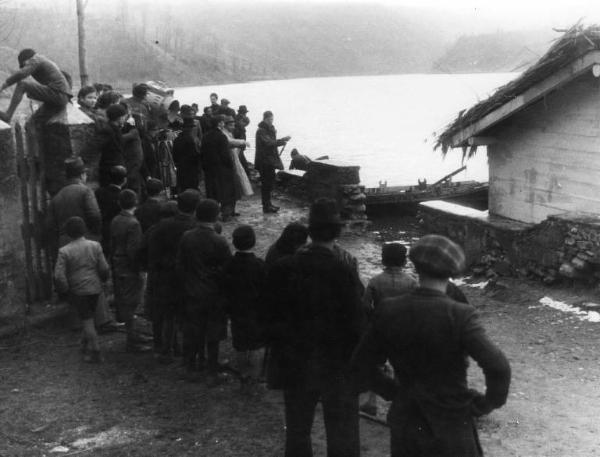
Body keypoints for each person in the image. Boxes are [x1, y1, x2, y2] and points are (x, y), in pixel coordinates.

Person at [352, 234, 511, 457]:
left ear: (416, 266)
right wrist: (483, 405)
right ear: (451, 272)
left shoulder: (389, 310)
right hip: (452, 421)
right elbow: (499, 367)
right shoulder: (460, 314)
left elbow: (361, 364)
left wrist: (394, 392)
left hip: (407, 420)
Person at [264, 198, 365, 457]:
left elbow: (269, 317)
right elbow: (358, 321)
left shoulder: (282, 268)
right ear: (338, 231)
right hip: (336, 364)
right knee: (342, 433)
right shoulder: (344, 270)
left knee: (297, 431)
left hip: (295, 361)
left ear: (310, 230)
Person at [176, 199, 232, 386]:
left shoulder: (186, 237)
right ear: (215, 217)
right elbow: (226, 270)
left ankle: (191, 366)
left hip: (191, 291)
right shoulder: (219, 240)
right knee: (213, 334)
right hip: (213, 294)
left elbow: (180, 265)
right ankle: (211, 371)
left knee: (193, 331)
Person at [359, 242, 418, 416]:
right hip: (402, 330)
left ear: (383, 260)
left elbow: (364, 305)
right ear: (404, 261)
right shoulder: (411, 282)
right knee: (402, 367)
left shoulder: (375, 281)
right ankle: (400, 403)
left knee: (374, 365)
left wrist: (373, 318)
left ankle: (371, 402)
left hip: (380, 329)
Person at [144, 190, 200, 360]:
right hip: (186, 277)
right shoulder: (195, 227)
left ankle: (163, 347)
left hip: (162, 276)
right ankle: (182, 349)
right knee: (184, 314)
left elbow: (147, 251)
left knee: (165, 313)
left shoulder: (160, 227)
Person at [54, 217, 109, 363]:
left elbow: (59, 276)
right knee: (88, 317)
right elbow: (104, 267)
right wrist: (103, 280)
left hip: (78, 290)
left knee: (87, 319)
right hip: (95, 288)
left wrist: (65, 290)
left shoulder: (64, 251)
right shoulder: (95, 245)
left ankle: (95, 350)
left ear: (68, 233)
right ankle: (84, 344)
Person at [223, 225, 267, 394]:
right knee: (257, 345)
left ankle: (243, 377)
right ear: (254, 242)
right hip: (256, 311)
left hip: (236, 310)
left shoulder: (229, 264)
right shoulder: (259, 265)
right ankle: (253, 381)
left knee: (240, 343)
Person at [110, 189, 148, 352]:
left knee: (126, 301)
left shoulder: (116, 220)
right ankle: (132, 340)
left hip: (118, 263)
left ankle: (133, 335)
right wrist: (140, 268)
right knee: (132, 303)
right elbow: (134, 250)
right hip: (129, 267)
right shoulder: (133, 223)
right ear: (136, 203)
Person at [45, 157, 101, 258]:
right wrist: (96, 235)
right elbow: (95, 216)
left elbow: (50, 226)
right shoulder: (86, 191)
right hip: (85, 242)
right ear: (82, 175)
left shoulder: (57, 197)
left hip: (64, 246)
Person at [0, 49, 72, 124]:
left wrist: (3, 86)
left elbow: (22, 74)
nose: (26, 67)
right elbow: (66, 76)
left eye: (24, 65)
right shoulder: (45, 61)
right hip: (60, 95)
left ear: (27, 60)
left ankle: (8, 115)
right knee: (34, 122)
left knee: (23, 84)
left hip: (58, 94)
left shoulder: (35, 59)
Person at [201, 115, 237, 220]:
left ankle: (212, 213)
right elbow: (225, 154)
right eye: (222, 122)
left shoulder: (205, 136)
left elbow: (202, 152)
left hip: (209, 168)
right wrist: (231, 165)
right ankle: (226, 214)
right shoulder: (221, 136)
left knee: (212, 192)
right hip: (221, 168)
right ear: (219, 124)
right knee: (226, 191)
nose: (223, 124)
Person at [255, 110, 290, 213]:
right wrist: (281, 141)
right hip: (264, 161)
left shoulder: (269, 129)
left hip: (270, 160)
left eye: (272, 119)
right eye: (270, 119)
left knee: (269, 183)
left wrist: (282, 140)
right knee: (266, 184)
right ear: (265, 119)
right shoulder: (261, 130)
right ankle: (266, 206)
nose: (271, 121)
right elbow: (268, 143)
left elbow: (271, 142)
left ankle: (268, 204)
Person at [95, 165, 127, 256]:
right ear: (124, 180)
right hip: (118, 230)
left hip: (104, 228)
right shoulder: (123, 195)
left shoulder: (99, 192)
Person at [223, 116, 252, 213]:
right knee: (230, 186)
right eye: (231, 125)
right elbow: (230, 142)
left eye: (233, 125)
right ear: (225, 125)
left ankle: (232, 209)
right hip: (228, 161)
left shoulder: (229, 133)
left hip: (233, 159)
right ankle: (227, 210)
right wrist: (242, 142)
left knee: (234, 185)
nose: (233, 127)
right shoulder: (224, 133)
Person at [98, 104, 128, 186]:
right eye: (124, 116)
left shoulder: (115, 129)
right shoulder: (108, 130)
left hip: (116, 169)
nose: (125, 119)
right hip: (111, 171)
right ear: (120, 117)